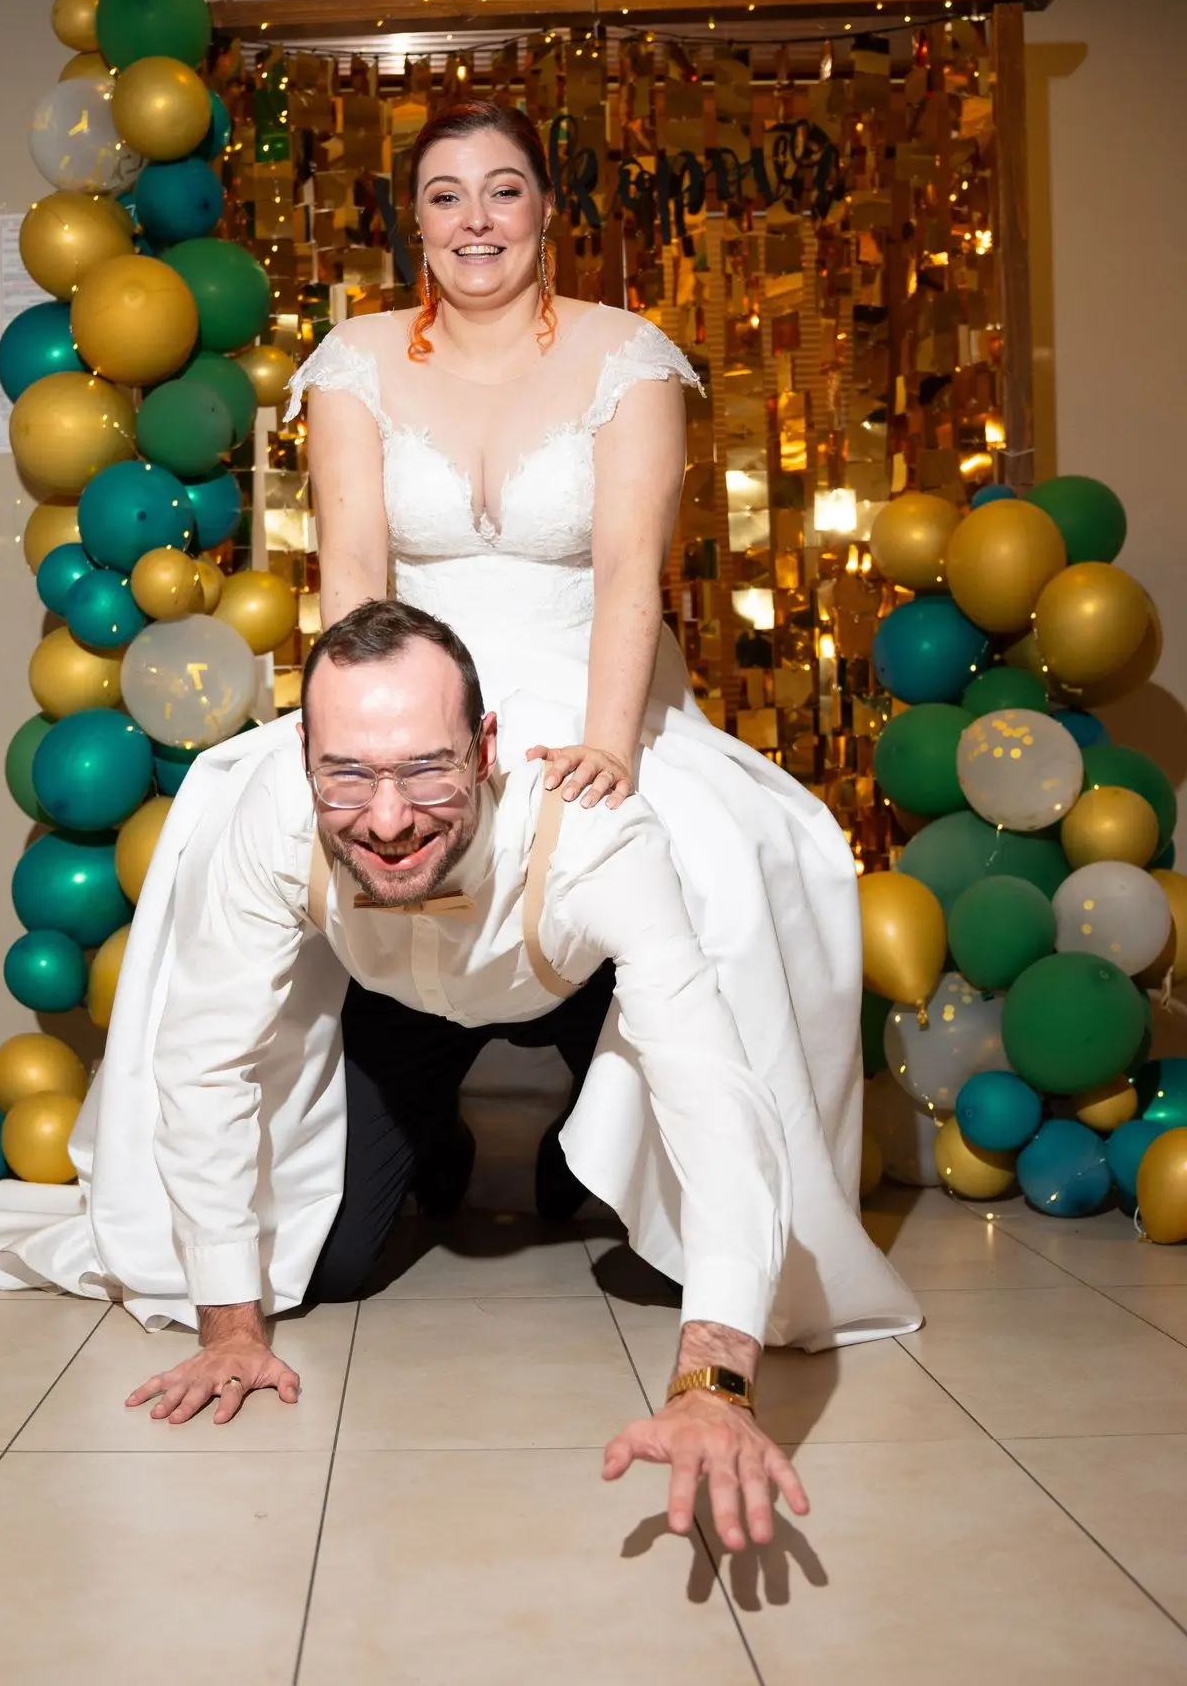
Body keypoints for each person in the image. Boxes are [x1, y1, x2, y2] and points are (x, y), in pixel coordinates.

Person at [0, 98, 919, 1357]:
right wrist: (363, 737)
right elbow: (352, 568)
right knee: (239, 832)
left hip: (593, 684)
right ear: (413, 223)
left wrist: (611, 746)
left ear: (546, 208)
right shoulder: (357, 361)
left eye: (504, 189)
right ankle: (371, 1145)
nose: (476, 219)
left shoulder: (630, 356)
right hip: (409, 687)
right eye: (446, 195)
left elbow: (631, 573)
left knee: (723, 860)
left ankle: (657, 1189)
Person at [122, 598, 811, 1550]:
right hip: (397, 1004)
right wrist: (229, 1328)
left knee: (622, 1230)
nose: (389, 821)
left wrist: (716, 1381)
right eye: (347, 774)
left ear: (485, 749)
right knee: (335, 1266)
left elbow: (710, 1086)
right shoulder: (271, 817)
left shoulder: (593, 834)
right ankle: (436, 1139)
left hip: (573, 995)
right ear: (302, 757)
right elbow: (204, 1055)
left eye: (426, 770)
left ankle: (567, 1148)